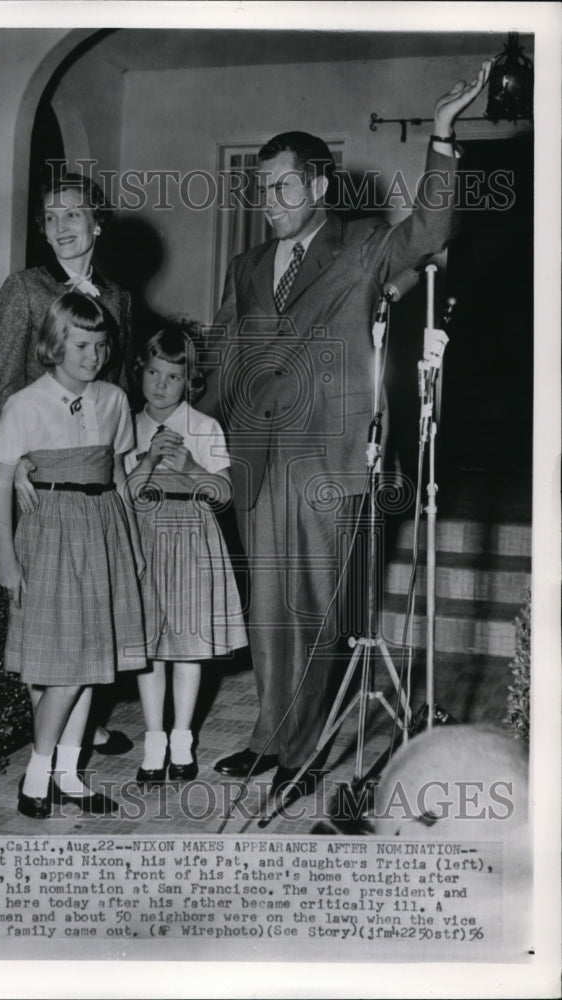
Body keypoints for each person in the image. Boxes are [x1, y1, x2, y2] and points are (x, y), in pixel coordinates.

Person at [202, 62, 494, 804]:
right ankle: (269, 736)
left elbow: (431, 227)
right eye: (262, 188)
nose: (269, 201)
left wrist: (442, 132)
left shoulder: (362, 245)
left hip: (329, 457)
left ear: (321, 186)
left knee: (315, 610)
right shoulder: (245, 264)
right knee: (268, 607)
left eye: (284, 186)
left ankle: (301, 752)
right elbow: (227, 352)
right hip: (256, 457)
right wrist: (193, 432)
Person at [0, 170, 135, 757]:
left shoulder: (120, 297)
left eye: (72, 215)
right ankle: (54, 754)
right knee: (46, 617)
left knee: (92, 606)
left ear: (97, 222)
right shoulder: (24, 287)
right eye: (49, 218)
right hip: (36, 473)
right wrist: (20, 462)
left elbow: (117, 388)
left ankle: (77, 731)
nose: (60, 228)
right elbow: (4, 385)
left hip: (91, 477)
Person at [0, 292, 146, 818]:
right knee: (62, 668)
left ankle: (67, 775)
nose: (92, 356)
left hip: (102, 531)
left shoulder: (114, 399)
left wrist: (133, 544)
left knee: (90, 662)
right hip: (50, 534)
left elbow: (118, 476)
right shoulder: (26, 403)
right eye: (81, 345)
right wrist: (7, 559)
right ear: (55, 344)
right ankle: (37, 775)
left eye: (101, 345)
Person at [124, 330, 247, 786]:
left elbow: (224, 493)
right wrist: (146, 460)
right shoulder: (126, 423)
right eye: (153, 373)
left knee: (188, 646)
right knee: (149, 646)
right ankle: (153, 740)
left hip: (193, 537)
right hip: (145, 538)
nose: (160, 385)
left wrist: (193, 468)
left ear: (188, 381)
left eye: (173, 376)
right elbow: (124, 493)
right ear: (141, 371)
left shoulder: (204, 426)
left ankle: (181, 739)